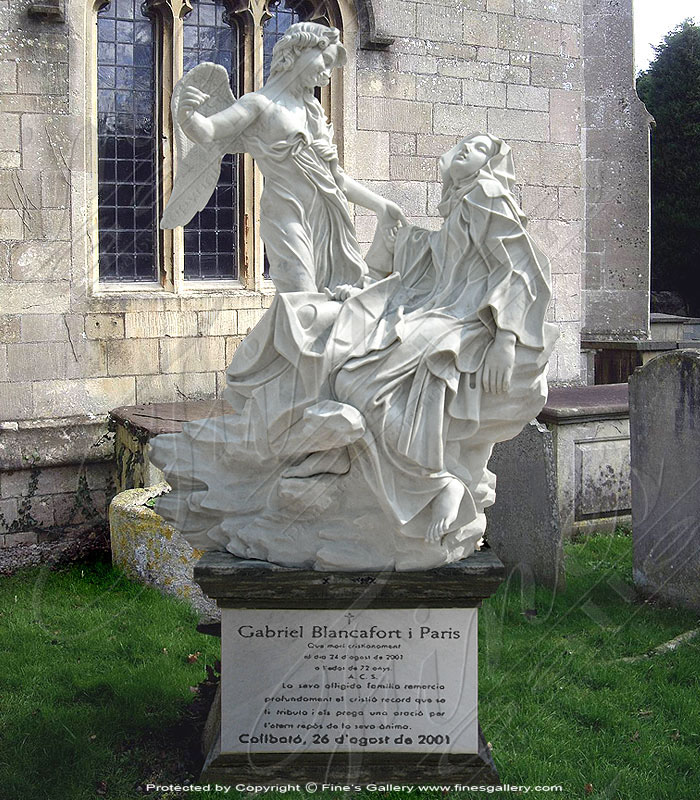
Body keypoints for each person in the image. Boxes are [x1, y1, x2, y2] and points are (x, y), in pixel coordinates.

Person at [328, 133, 559, 547]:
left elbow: (522, 269)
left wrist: (505, 338)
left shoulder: (487, 195)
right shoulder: (464, 203)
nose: (469, 147)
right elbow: (443, 255)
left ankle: (437, 484)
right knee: (354, 376)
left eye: (481, 149)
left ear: (487, 166)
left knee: (365, 381)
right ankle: (435, 483)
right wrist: (399, 235)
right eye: (467, 143)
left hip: (464, 320)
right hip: (444, 309)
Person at [166, 21, 404, 293]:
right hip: (286, 214)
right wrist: (188, 116)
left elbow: (334, 177)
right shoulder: (259, 104)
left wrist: (380, 205)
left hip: (327, 218)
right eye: (324, 61)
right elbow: (208, 131)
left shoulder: (313, 111)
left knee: (335, 305)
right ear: (297, 50)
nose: (327, 74)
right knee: (303, 299)